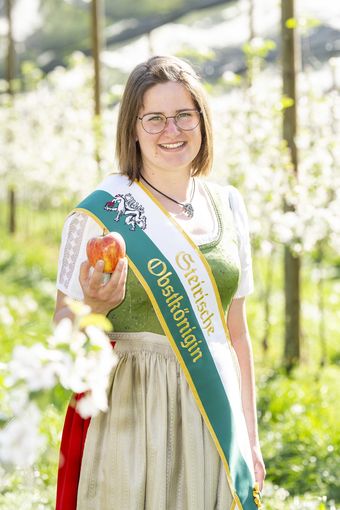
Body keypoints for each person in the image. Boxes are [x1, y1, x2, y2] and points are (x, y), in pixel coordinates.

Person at [54, 55, 266, 510]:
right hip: (130, 415)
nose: (172, 130)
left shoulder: (228, 205)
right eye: (154, 118)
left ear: (202, 122)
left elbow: (236, 335)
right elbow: (61, 336)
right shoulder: (100, 212)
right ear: (132, 128)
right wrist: (93, 306)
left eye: (184, 115)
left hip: (212, 413)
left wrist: (251, 435)